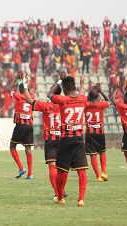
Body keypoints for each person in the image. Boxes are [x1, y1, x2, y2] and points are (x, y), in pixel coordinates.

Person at [47, 72, 87, 207]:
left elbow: (49, 94)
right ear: (75, 87)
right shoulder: (83, 99)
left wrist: (59, 81)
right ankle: (81, 199)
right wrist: (81, 84)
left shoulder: (62, 100)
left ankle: (60, 197)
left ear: (64, 89)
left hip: (65, 139)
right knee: (81, 170)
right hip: (79, 139)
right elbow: (79, 95)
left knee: (61, 170)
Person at [22, 72, 63, 200]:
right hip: (63, 139)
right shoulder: (65, 105)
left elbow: (28, 99)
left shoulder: (46, 106)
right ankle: (62, 190)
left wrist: (24, 82)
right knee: (62, 167)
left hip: (50, 138)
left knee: (52, 165)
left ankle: (57, 193)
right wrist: (63, 80)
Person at [8, 70, 35, 179]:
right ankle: (30, 174)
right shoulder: (32, 96)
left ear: (19, 90)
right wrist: (24, 79)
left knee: (12, 146)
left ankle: (21, 168)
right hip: (30, 125)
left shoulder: (18, 96)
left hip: (20, 125)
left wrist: (15, 78)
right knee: (28, 149)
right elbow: (27, 88)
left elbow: (9, 89)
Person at [85, 83, 111, 182]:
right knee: (102, 152)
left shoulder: (85, 105)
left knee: (92, 155)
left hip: (89, 132)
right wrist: (100, 91)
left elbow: (87, 99)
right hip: (100, 131)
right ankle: (104, 172)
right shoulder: (101, 105)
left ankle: (98, 176)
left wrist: (92, 93)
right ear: (98, 97)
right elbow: (109, 101)